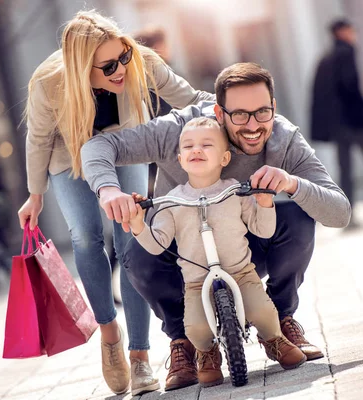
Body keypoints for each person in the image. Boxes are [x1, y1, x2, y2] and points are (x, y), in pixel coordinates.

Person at [81, 62, 351, 391]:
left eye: (262, 112)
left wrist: (293, 184)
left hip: (245, 245)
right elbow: (98, 146)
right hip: (183, 250)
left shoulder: (283, 138)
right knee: (135, 250)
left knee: (296, 215)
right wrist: (108, 189)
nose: (253, 126)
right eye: (239, 115)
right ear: (218, 112)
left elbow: (339, 213)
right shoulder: (182, 131)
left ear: (273, 107)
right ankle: (183, 341)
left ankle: (280, 319)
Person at [16, 10, 214, 396]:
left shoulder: (140, 62)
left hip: (123, 149)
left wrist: (235, 109)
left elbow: (189, 99)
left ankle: (140, 357)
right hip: (68, 158)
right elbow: (38, 140)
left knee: (131, 240)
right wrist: (35, 195)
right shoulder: (48, 83)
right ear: (81, 67)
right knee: (86, 238)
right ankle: (110, 334)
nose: (121, 68)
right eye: (108, 66)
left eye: (123, 56)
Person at [127, 117, 307, 387]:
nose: (195, 150)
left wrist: (265, 203)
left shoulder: (235, 190)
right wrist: (138, 224)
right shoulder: (173, 200)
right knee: (196, 328)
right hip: (196, 282)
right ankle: (206, 353)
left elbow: (263, 230)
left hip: (241, 272)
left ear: (224, 158)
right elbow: (157, 244)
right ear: (179, 158)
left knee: (262, 311)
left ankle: (274, 340)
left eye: (206, 144)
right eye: (188, 146)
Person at [311, 18, 363, 228]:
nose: (353, 33)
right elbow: (350, 87)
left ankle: (346, 217)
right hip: (354, 121)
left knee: (345, 170)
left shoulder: (327, 57)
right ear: (342, 32)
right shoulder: (346, 53)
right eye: (351, 29)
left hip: (339, 126)